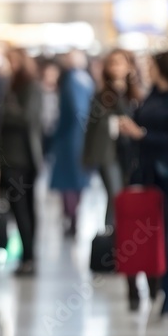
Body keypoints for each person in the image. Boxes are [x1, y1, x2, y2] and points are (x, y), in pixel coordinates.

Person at [118, 51, 168, 320]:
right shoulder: (152, 95)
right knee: (155, 233)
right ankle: (162, 291)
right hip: (149, 172)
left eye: (151, 66)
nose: (148, 70)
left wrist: (143, 135)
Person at [82, 49, 147, 309]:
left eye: (121, 62)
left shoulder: (137, 92)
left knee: (127, 201)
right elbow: (94, 126)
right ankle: (114, 247)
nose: (116, 67)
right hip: (109, 155)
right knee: (116, 198)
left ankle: (124, 246)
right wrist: (117, 125)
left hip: (132, 156)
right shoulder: (103, 94)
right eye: (112, 62)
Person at [0, 48, 44, 276]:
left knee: (23, 209)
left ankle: (29, 258)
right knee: (22, 209)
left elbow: (28, 118)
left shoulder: (30, 86)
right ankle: (28, 257)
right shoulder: (12, 84)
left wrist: (3, 112)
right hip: (13, 157)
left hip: (21, 159)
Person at [49, 50, 94, 238]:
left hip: (70, 139)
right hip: (82, 137)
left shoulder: (70, 81)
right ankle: (73, 216)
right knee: (77, 181)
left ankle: (71, 217)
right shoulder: (86, 80)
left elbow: (74, 111)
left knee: (68, 181)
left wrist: (56, 135)